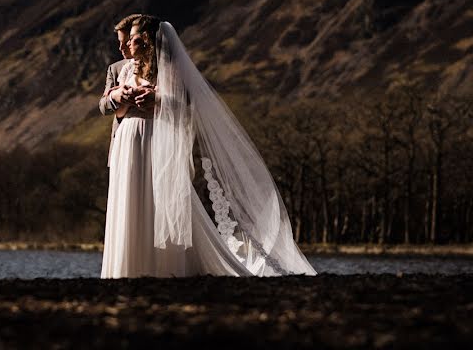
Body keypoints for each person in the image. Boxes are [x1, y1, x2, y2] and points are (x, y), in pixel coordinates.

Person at [100, 16, 316, 278]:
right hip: (127, 143)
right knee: (129, 202)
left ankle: (164, 266)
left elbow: (188, 104)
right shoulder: (123, 69)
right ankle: (127, 268)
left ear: (147, 40)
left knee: (156, 202)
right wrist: (118, 96)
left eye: (133, 39)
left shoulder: (170, 68)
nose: (127, 46)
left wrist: (158, 100)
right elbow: (114, 108)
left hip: (155, 140)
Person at [99, 14, 142, 168]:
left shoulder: (163, 65)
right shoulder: (115, 69)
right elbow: (103, 106)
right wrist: (115, 97)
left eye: (126, 42)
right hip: (122, 147)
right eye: (119, 42)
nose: (121, 48)